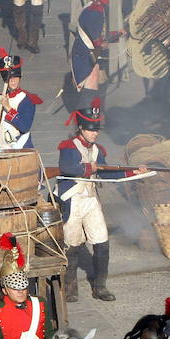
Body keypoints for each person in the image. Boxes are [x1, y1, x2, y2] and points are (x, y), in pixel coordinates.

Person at [58, 99, 147, 302]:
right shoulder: (68, 147)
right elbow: (69, 168)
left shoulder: (98, 150)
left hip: (90, 200)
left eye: (96, 129)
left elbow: (108, 174)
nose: (95, 132)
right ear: (81, 128)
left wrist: (133, 171)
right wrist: (91, 168)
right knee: (71, 244)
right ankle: (70, 289)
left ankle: (100, 287)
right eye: (91, 129)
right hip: (72, 199)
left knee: (101, 242)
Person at [71, 0, 112, 108]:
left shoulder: (91, 6)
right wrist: (112, 39)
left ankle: (98, 113)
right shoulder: (96, 11)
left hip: (89, 54)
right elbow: (97, 42)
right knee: (90, 89)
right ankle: (83, 122)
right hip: (87, 57)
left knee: (101, 79)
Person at [0, 48, 43, 150]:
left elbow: (25, 126)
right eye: (9, 78)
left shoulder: (26, 99)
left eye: (16, 77)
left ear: (20, 78)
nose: (13, 80)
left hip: (19, 147)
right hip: (0, 147)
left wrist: (8, 108)